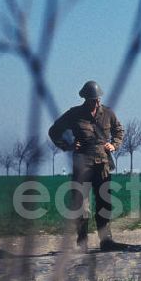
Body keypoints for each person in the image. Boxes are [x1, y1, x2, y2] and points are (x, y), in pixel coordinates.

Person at [48, 80, 127, 251]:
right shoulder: (74, 114)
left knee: (104, 203)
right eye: (93, 99)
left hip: (103, 165)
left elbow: (119, 130)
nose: (96, 102)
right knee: (81, 205)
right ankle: (82, 241)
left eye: (98, 99)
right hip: (82, 165)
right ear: (85, 99)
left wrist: (114, 144)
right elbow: (54, 131)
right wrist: (67, 145)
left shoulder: (108, 113)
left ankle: (106, 241)